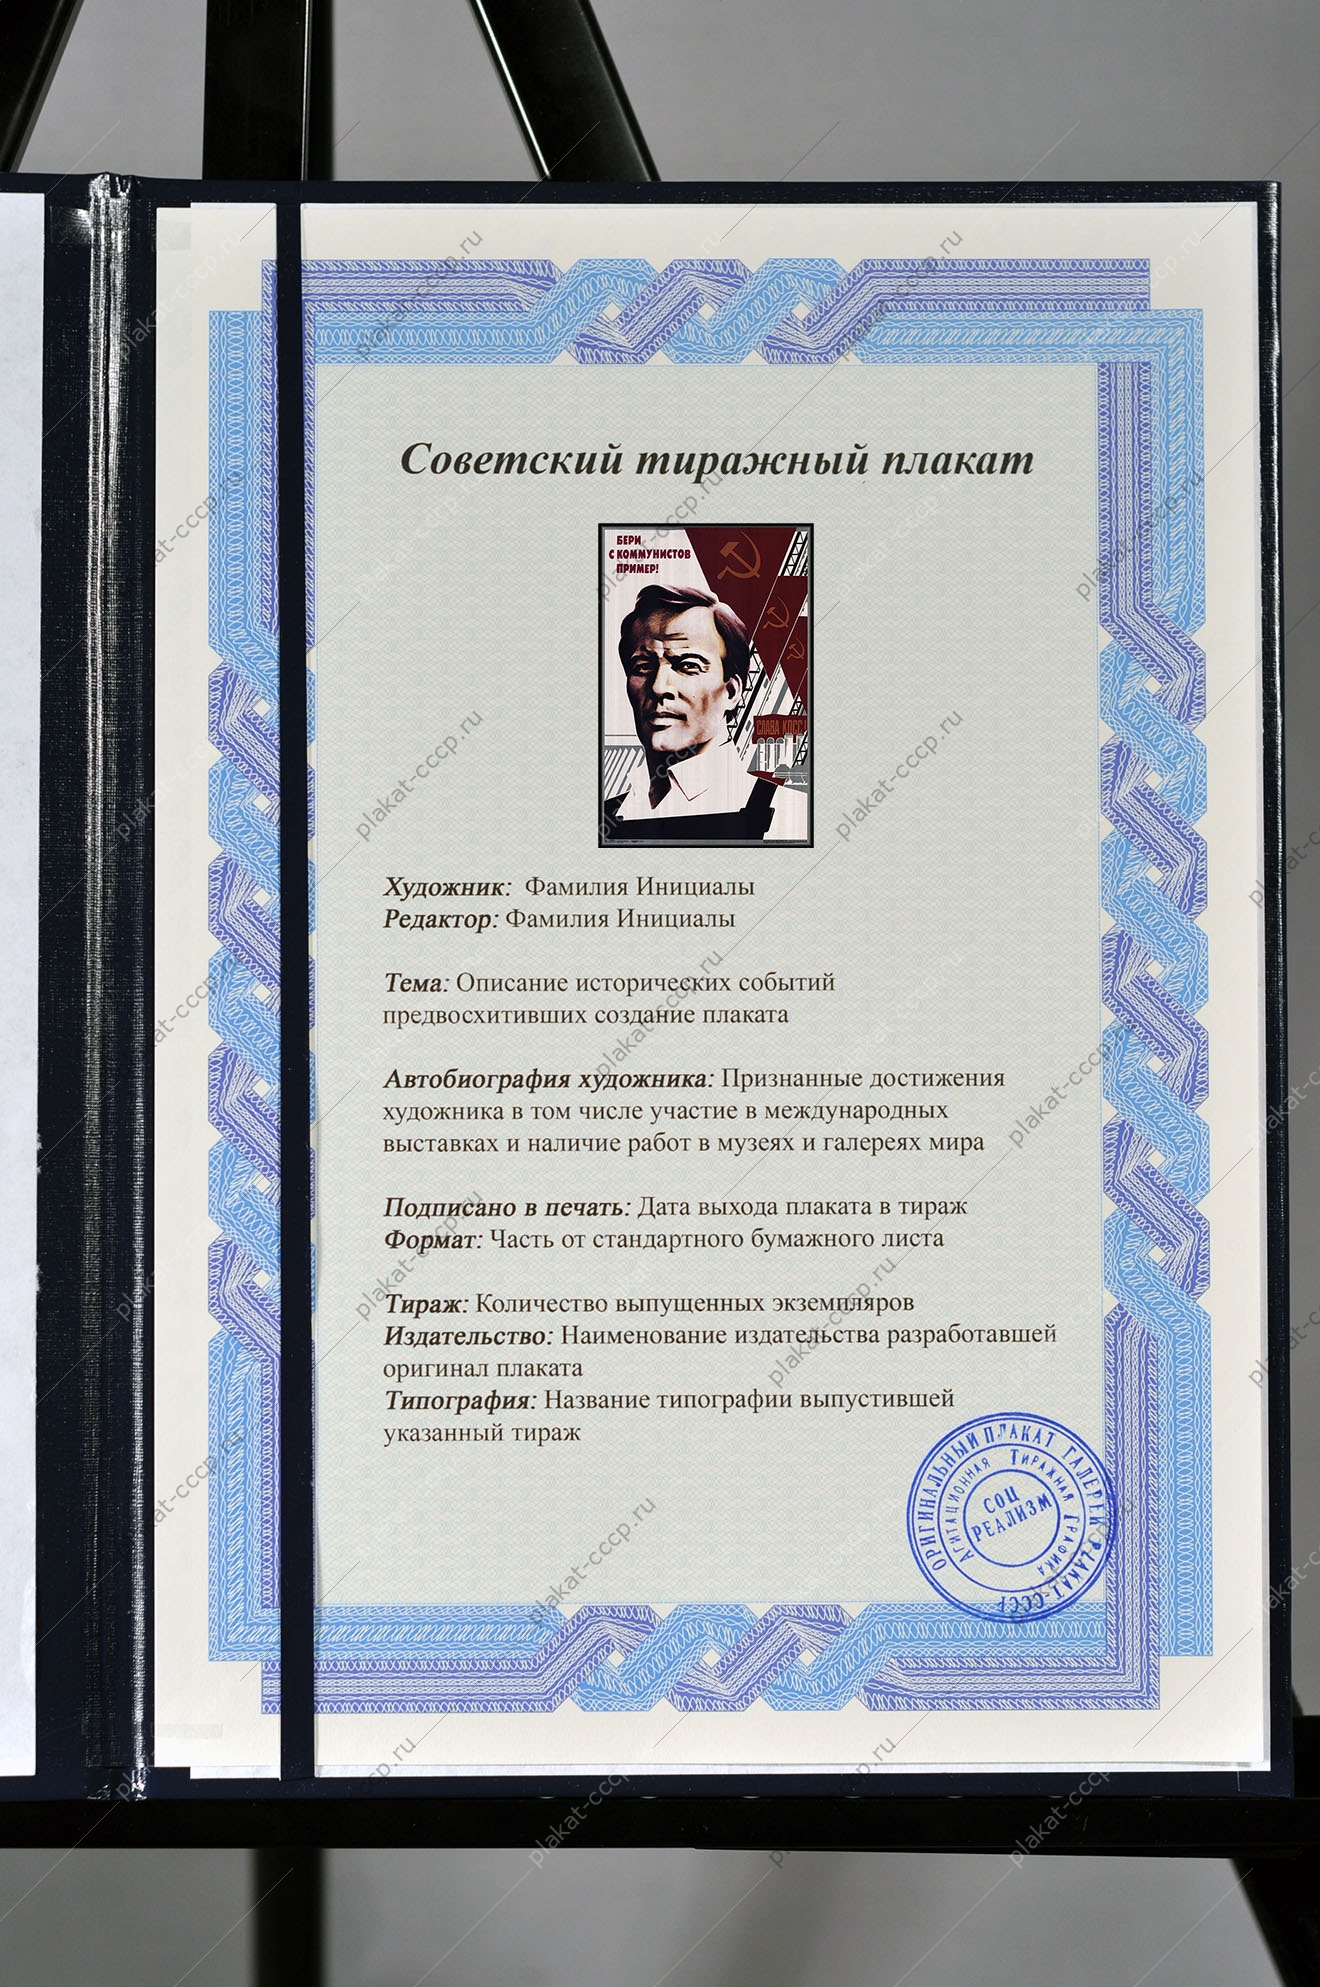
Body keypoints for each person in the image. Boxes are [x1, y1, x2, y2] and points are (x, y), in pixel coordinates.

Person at [603, 584, 808, 843]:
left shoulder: (788, 814)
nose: (658, 687)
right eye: (643, 666)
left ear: (731, 692)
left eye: (688, 666)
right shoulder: (607, 815)